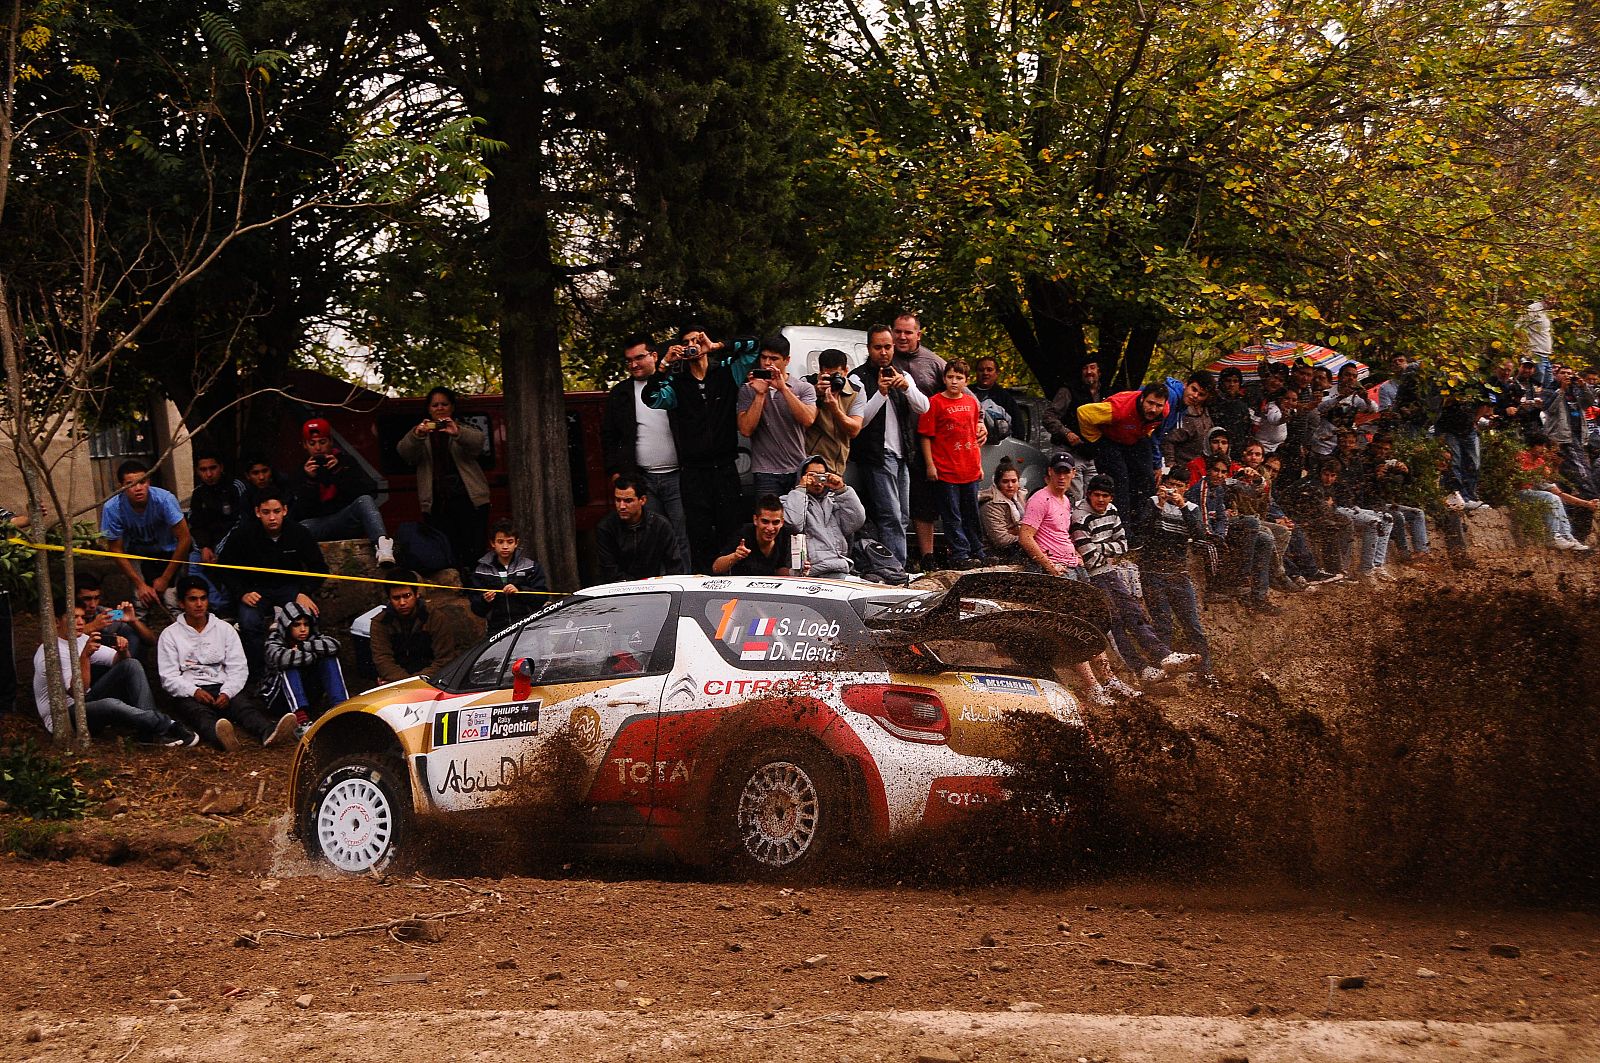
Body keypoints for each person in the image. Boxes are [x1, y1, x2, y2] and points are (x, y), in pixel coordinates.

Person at [1015, 453, 1140, 706]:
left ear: (1073, 473)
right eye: (1058, 471)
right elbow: (1026, 537)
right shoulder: (1040, 499)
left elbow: (1061, 534)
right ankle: (1093, 686)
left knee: (1091, 625)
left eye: (1066, 472)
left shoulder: (1065, 500)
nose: (1062, 476)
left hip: (1074, 566)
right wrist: (1049, 566)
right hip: (1056, 571)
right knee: (1072, 628)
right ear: (1050, 473)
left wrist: (1075, 554)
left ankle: (1109, 679)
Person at [643, 327, 762, 572]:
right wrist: (665, 363)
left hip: (725, 470)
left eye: (696, 340)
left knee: (732, 533)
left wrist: (717, 345)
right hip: (694, 474)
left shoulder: (727, 371)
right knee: (699, 537)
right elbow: (651, 397)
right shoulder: (677, 383)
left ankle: (735, 582)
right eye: (686, 342)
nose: (692, 346)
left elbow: (753, 345)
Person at [1071, 473, 1198, 684]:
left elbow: (1124, 545)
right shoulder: (1080, 517)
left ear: (1111, 497)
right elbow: (1090, 558)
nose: (1101, 500)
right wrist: (1107, 550)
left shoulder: (1112, 510)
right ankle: (1140, 668)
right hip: (1091, 576)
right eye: (1097, 495)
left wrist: (1100, 547)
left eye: (1105, 496)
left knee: (1133, 611)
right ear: (1089, 494)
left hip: (1108, 570)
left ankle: (1163, 655)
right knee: (1114, 622)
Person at [33, 598, 196, 746]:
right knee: (110, 704)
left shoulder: (80, 639)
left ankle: (148, 734)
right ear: (56, 622)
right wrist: (85, 656)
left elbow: (121, 662)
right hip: (64, 716)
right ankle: (168, 725)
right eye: (73, 618)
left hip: (85, 701)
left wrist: (122, 651)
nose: (80, 622)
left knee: (131, 664)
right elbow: (77, 692)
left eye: (82, 617)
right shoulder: (51, 652)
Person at [158, 576, 297, 751]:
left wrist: (227, 692)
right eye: (193, 599)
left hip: (221, 685)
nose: (199, 604)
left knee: (244, 708)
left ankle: (269, 732)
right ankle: (222, 739)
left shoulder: (224, 629)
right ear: (181, 603)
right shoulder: (170, 635)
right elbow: (168, 677)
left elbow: (238, 667)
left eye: (203, 598)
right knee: (200, 715)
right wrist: (194, 691)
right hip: (190, 690)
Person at [217, 490, 328, 681]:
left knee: (308, 616)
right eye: (266, 512)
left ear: (284, 510)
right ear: (257, 512)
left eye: (276, 511)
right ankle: (260, 675)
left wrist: (304, 592)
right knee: (249, 622)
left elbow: (319, 568)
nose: (272, 517)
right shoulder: (243, 534)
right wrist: (242, 593)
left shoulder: (299, 532)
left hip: (290, 588)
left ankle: (309, 671)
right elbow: (225, 569)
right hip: (256, 589)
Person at [601, 335, 691, 572]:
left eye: (639, 357)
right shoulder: (620, 393)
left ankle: (685, 585)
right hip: (642, 478)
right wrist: (615, 472)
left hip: (678, 475)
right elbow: (609, 436)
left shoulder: (672, 383)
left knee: (681, 536)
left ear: (654, 356)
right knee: (650, 540)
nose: (634, 364)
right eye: (629, 360)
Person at [848, 325, 930, 567]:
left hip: (902, 454)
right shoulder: (858, 377)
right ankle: (895, 568)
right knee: (890, 515)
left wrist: (906, 388)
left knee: (902, 515)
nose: (883, 352)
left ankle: (895, 566)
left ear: (893, 347)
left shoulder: (902, 374)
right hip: (876, 455)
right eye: (877, 347)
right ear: (868, 348)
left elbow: (924, 407)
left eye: (887, 347)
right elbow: (859, 421)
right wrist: (881, 393)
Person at [397, 386, 490, 573]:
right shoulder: (420, 433)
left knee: (475, 551)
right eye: (435, 405)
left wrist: (457, 433)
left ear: (452, 407)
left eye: (444, 404)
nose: (439, 408)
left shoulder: (462, 429)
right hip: (437, 503)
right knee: (446, 551)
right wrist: (417, 436)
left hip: (469, 500)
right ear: (428, 409)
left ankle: (478, 585)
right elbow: (404, 453)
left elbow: (478, 443)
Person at [1137, 472, 1218, 686]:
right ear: (1163, 485)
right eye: (1170, 485)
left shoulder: (1191, 508)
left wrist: (1182, 505)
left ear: (1186, 487)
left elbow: (1199, 535)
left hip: (1178, 573)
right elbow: (1142, 529)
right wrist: (1159, 504)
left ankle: (1205, 671)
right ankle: (1162, 670)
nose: (1173, 489)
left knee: (1192, 625)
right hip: (1152, 572)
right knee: (1163, 624)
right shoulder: (1153, 502)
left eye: (1178, 486)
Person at [892, 314, 951, 570]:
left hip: (925, 443)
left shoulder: (934, 362)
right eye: (898, 331)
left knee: (923, 502)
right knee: (894, 503)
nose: (902, 337)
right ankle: (895, 557)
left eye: (908, 332)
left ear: (918, 334)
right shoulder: (884, 358)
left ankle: (928, 556)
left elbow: (961, 392)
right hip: (892, 441)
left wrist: (980, 420)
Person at [292, 418, 395, 565]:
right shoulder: (301, 470)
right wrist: (310, 481)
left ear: (330, 441)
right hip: (318, 524)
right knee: (299, 528)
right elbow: (302, 511)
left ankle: (383, 546)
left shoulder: (346, 462)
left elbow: (363, 494)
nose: (318, 448)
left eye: (322, 442)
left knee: (365, 500)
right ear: (305, 445)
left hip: (345, 520)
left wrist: (338, 472)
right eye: (312, 443)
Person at [99, 459, 191, 617]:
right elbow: (115, 549)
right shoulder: (113, 507)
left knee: (172, 599)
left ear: (149, 482)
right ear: (121, 486)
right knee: (140, 599)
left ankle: (183, 628)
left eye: (142, 482)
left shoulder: (164, 499)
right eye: (131, 484)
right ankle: (137, 627)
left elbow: (185, 538)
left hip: (169, 552)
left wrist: (165, 578)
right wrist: (140, 584)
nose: (138, 488)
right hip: (137, 554)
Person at [919, 359, 988, 569]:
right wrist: (930, 465)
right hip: (946, 469)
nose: (954, 381)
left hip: (970, 467)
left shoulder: (971, 402)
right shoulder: (934, 403)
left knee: (971, 513)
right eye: (950, 377)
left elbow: (974, 436)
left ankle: (978, 550)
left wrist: (979, 465)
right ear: (944, 379)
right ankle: (959, 553)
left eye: (959, 378)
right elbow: (926, 436)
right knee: (952, 514)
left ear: (966, 380)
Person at [1076, 382, 1170, 531]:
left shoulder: (1164, 411)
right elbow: (1083, 412)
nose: (1153, 409)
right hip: (1108, 439)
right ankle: (1123, 529)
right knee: (1120, 480)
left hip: (1134, 439)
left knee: (1147, 478)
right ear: (1142, 398)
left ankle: (1144, 525)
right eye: (1150, 403)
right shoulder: (1119, 408)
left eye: (1158, 405)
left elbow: (1153, 429)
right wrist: (1095, 440)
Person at [736, 334, 818, 498]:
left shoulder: (803, 387)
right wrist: (760, 394)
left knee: (797, 513)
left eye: (774, 359)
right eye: (764, 357)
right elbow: (745, 429)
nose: (767, 363)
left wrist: (783, 389)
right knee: (768, 515)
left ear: (787, 360)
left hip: (797, 467)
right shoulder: (749, 389)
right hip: (765, 470)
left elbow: (808, 419)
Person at [370, 571, 486, 684]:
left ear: (416, 594)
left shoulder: (435, 618)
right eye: (396, 598)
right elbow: (382, 659)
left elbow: (444, 658)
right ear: (389, 599)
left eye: (407, 596)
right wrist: (405, 682)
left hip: (430, 679)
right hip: (396, 680)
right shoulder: (380, 623)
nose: (402, 602)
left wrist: (417, 681)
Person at [261, 601, 348, 737]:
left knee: (329, 658)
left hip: (308, 694)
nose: (303, 629)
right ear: (287, 626)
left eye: (306, 624)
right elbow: (282, 658)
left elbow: (335, 645)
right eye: (297, 625)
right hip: (277, 698)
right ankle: (301, 722)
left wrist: (303, 647)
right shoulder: (274, 640)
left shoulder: (312, 638)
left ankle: (341, 708)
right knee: (289, 664)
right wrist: (314, 655)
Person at [781, 456, 866, 578]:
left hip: (839, 566)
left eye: (822, 476)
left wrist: (842, 490)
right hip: (810, 570)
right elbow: (794, 524)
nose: (817, 481)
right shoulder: (787, 500)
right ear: (801, 477)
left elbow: (856, 522)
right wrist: (800, 489)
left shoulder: (834, 501)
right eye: (812, 475)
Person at [186, 452, 248, 611]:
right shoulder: (198, 493)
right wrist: (204, 547)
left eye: (212, 468)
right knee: (193, 563)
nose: (208, 474)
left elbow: (242, 521)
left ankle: (230, 605)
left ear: (221, 467)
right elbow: (195, 525)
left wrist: (220, 549)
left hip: (233, 544)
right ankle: (218, 605)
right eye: (203, 469)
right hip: (208, 546)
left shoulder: (236, 487)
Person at [594, 476, 684, 583]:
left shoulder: (660, 525)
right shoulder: (606, 527)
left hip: (652, 586)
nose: (621, 506)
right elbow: (609, 570)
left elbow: (675, 567)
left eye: (628, 501)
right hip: (619, 587)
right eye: (618, 500)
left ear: (642, 500)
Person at [468, 519, 549, 634]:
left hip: (528, 627)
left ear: (516, 543)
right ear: (493, 543)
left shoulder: (530, 567)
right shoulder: (481, 571)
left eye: (510, 542)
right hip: (496, 630)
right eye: (500, 542)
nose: (505, 546)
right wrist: (484, 600)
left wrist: (520, 591)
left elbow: (542, 597)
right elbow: (476, 608)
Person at [1516, 434, 1594, 551]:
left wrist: (1587, 504)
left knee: (1556, 499)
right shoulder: (1520, 457)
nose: (1543, 449)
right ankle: (1552, 536)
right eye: (1540, 445)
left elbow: (1556, 490)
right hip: (1518, 493)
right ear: (1531, 445)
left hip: (1531, 493)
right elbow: (1518, 479)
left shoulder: (1540, 462)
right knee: (1551, 498)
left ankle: (1567, 536)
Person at [803, 348, 865, 479]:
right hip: (810, 464)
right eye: (828, 376)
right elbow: (804, 421)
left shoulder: (856, 391)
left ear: (846, 371)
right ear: (820, 372)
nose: (833, 381)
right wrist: (816, 395)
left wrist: (835, 409)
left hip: (838, 465)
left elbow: (854, 430)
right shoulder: (807, 384)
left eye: (837, 376)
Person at [74, 574, 155, 662]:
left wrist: (133, 621)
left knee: (132, 634)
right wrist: (93, 626)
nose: (93, 605)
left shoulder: (104, 612)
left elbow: (152, 640)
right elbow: (63, 637)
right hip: (79, 663)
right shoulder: (65, 615)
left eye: (96, 598)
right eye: (87, 599)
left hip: (111, 662)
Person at [712, 495, 795, 576]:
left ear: (782, 522)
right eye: (765, 521)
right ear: (755, 520)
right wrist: (735, 556)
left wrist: (794, 572)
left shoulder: (784, 535)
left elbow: (778, 570)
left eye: (775, 522)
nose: (770, 528)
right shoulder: (743, 533)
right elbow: (716, 568)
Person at [1154, 371, 1215, 475]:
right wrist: (1158, 464)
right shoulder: (1171, 397)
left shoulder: (1182, 406)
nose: (1195, 396)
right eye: (1194, 389)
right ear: (1186, 384)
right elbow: (1154, 433)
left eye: (1201, 394)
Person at [980, 458, 1028, 563]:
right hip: (996, 551)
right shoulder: (991, 504)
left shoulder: (1020, 497)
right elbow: (1000, 540)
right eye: (1005, 481)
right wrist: (1027, 537)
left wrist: (1019, 532)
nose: (1010, 485)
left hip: (1017, 542)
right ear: (997, 483)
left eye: (1014, 481)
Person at [970, 356, 1024, 440]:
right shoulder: (966, 393)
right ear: (976, 372)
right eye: (981, 370)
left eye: (989, 370)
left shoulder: (1005, 398)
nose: (985, 373)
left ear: (997, 373)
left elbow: (1018, 429)